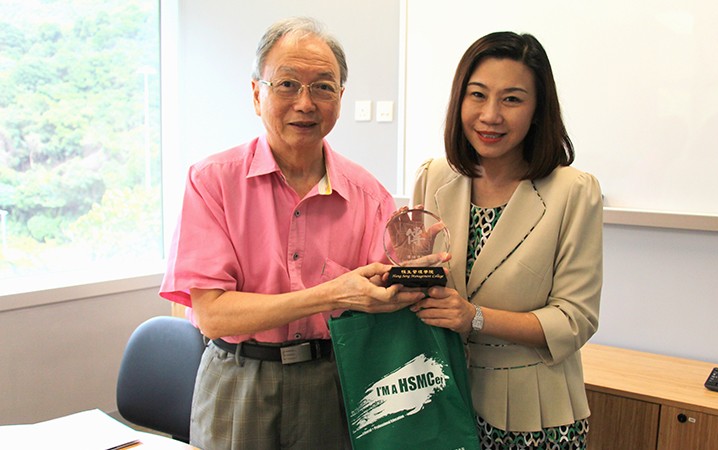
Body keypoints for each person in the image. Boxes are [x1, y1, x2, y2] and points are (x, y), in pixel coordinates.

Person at [159, 17, 425, 450]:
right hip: (238, 379)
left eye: (323, 87)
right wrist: (332, 294)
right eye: (287, 84)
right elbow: (212, 314)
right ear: (255, 94)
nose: (305, 103)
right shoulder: (212, 182)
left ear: (340, 98)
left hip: (333, 381)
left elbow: (382, 302)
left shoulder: (371, 196)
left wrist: (416, 274)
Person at [408, 31, 603, 449]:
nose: (490, 115)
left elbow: (575, 319)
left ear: (537, 111)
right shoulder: (435, 176)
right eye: (477, 95)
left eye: (512, 99)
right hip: (441, 396)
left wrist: (473, 316)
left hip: (533, 412)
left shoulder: (573, 190)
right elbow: (421, 284)